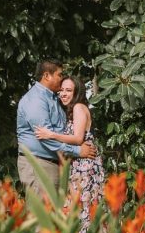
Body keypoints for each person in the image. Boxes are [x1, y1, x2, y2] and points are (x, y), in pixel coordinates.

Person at [34, 75, 104, 233]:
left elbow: (78, 138)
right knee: (81, 210)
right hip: (78, 165)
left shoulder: (79, 107)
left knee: (85, 209)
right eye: (62, 90)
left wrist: (50, 134)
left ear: (77, 92)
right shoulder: (71, 111)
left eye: (68, 90)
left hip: (84, 167)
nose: (63, 94)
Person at [16, 59, 97, 194]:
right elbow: (46, 138)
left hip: (55, 164)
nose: (62, 78)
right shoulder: (36, 100)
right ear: (47, 76)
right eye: (59, 75)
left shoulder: (54, 99)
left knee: (56, 213)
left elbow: (61, 132)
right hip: (39, 165)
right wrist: (78, 151)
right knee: (42, 213)